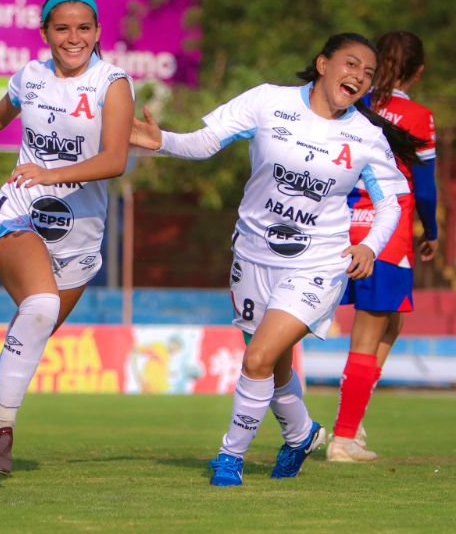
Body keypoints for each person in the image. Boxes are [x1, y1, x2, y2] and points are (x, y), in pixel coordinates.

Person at [131, 33, 422, 487]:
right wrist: (161, 141)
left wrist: (369, 246)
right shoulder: (268, 101)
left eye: (368, 74)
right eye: (350, 65)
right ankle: (302, 433)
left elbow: (392, 202)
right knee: (274, 364)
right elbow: (206, 142)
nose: (359, 77)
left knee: (258, 358)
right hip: (252, 254)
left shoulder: (366, 136)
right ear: (322, 63)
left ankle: (230, 457)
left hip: (318, 263)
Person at [0, 0, 134, 477]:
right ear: (45, 33)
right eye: (62, 28)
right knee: (38, 306)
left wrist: (53, 174)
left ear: (98, 33)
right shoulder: (31, 77)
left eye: (84, 28)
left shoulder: (113, 82)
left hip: (79, 235)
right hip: (19, 210)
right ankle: (3, 430)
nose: (73, 37)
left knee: (32, 333)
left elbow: (115, 160)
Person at [328, 31, 438, 462]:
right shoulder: (417, 115)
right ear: (419, 70)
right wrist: (431, 231)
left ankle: (350, 423)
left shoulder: (352, 104)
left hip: (339, 227)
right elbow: (424, 189)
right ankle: (343, 437)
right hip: (385, 235)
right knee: (369, 334)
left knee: (390, 324)